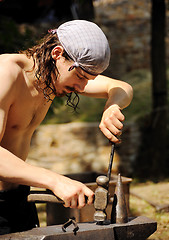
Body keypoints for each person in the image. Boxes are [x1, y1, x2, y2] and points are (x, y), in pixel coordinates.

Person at [0, 20, 133, 234]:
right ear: (57, 53)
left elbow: (121, 87)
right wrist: (55, 181)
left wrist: (112, 105)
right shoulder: (5, 73)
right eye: (80, 76)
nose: (81, 88)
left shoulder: (52, 76)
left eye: (89, 79)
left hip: (18, 198)